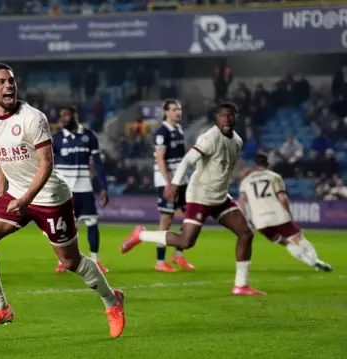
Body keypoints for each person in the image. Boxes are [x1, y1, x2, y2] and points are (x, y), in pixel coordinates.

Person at [0, 63, 125, 337]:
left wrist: (27, 198)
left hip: (50, 196)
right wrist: (1, 189)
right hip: (17, 193)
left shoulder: (33, 118)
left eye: (12, 81)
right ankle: (0, 307)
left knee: (70, 262)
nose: (9, 86)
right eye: (2, 82)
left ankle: (113, 301)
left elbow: (46, 165)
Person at [121, 102, 265, 296]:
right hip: (200, 196)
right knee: (185, 242)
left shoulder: (237, 142)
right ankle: (141, 235)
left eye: (230, 116)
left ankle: (241, 285)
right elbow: (188, 160)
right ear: (216, 118)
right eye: (222, 116)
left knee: (246, 234)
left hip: (220, 197)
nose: (226, 119)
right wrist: (173, 184)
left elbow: (224, 168)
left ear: (235, 118)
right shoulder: (209, 138)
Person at [125, 99, 194, 272]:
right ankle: (160, 261)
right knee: (166, 220)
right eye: (174, 109)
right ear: (166, 112)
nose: (178, 112)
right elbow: (160, 159)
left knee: (191, 219)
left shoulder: (178, 129)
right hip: (168, 181)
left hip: (181, 180)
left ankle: (178, 255)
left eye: (179, 109)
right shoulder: (162, 132)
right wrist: (168, 183)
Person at [238, 153, 332, 272]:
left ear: (254, 165)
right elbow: (282, 197)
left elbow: (241, 201)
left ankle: (313, 264)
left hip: (260, 222)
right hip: (278, 216)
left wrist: (245, 220)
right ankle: (316, 261)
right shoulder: (274, 176)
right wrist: (289, 214)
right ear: (268, 164)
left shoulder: (246, 181)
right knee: (299, 238)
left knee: (286, 243)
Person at [52, 105, 109, 273]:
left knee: (92, 223)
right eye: (61, 116)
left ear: (75, 116)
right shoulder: (56, 139)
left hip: (85, 188)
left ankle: (96, 261)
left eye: (66, 115)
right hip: (65, 191)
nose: (63, 119)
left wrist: (104, 187)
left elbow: (97, 163)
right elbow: (46, 162)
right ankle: (63, 260)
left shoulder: (89, 136)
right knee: (65, 227)